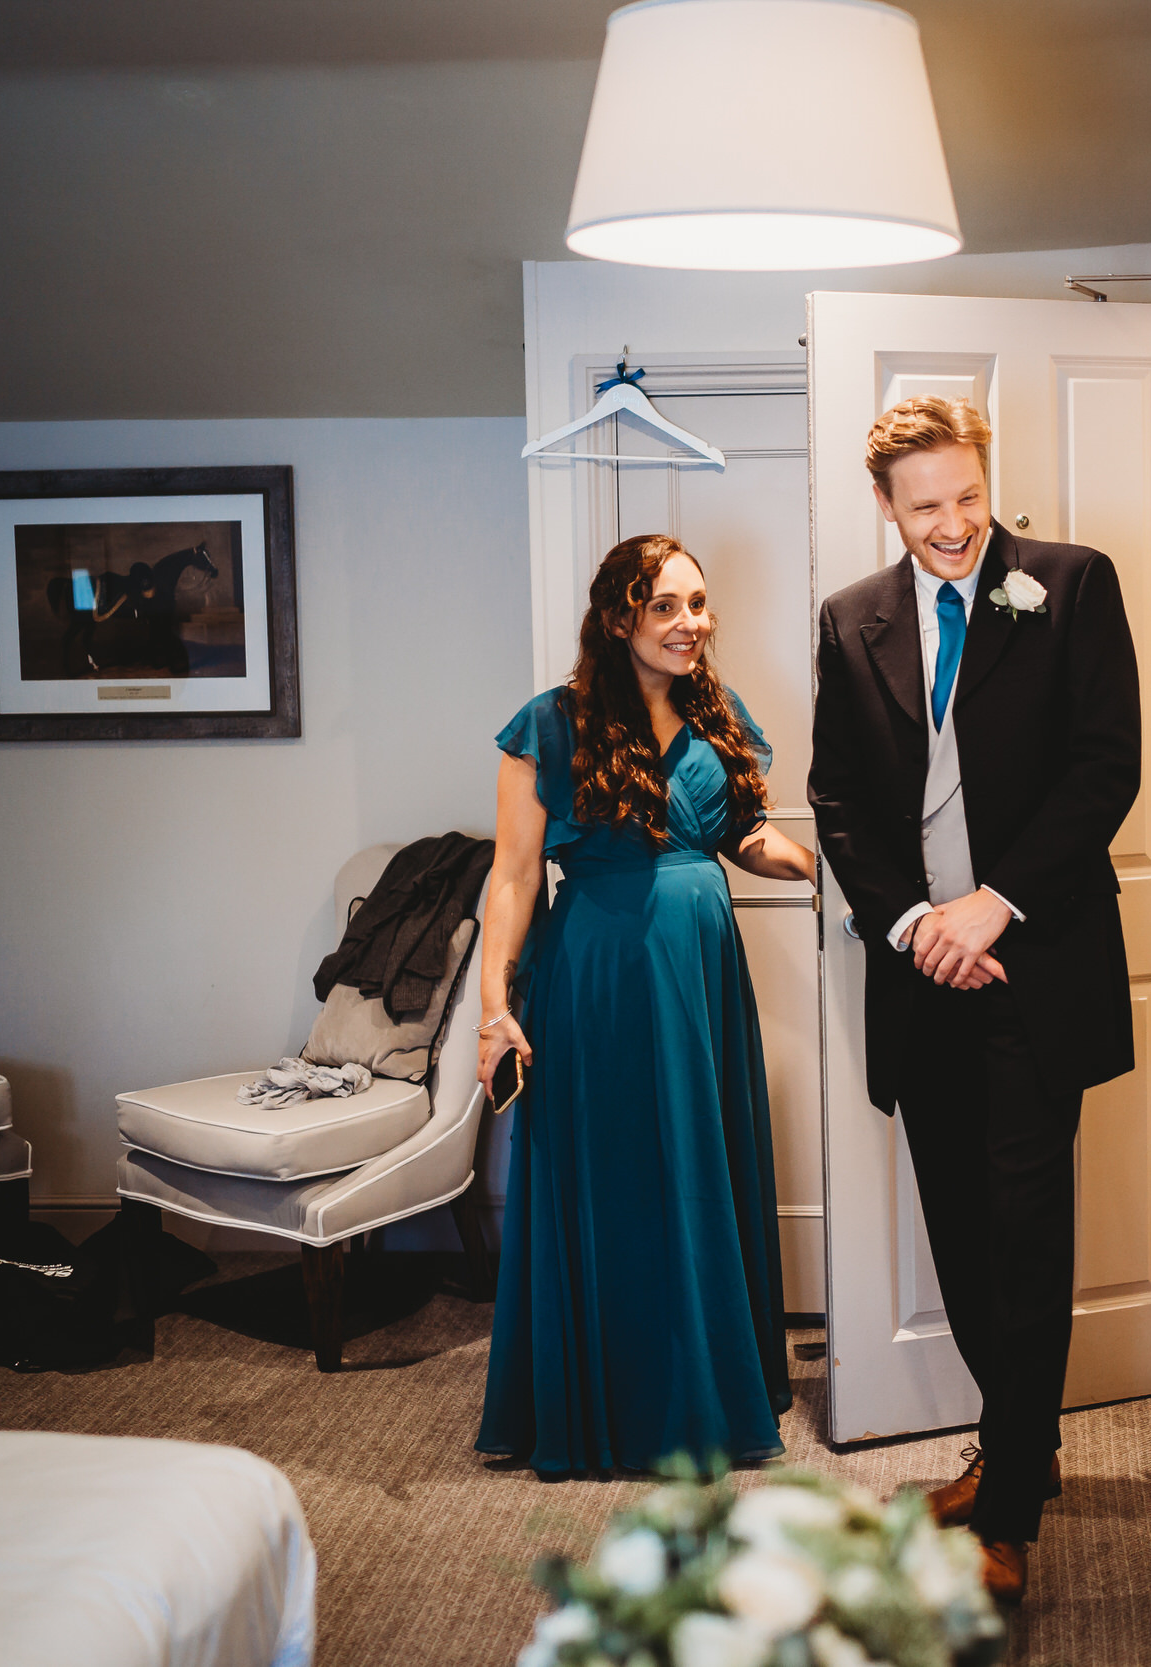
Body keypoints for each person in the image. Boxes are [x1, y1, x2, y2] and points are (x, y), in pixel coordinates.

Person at [808, 397, 1142, 1602]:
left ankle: (1007, 1506)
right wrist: (909, 923)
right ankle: (1018, 1449)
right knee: (956, 1228)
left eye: (965, 496)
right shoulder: (852, 618)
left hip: (1033, 969)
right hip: (920, 979)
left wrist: (993, 903)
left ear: (983, 480)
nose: (952, 526)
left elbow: (1107, 763)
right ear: (886, 507)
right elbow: (835, 792)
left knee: (1023, 1237)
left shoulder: (1070, 582)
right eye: (924, 506)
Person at [473, 533, 816, 1477]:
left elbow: (747, 840)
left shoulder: (722, 715)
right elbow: (510, 877)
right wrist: (496, 1003)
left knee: (699, 1165)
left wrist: (835, 874)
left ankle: (705, 1387)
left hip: (700, 973)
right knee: (611, 1171)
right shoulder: (550, 723)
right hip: (593, 977)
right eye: (665, 605)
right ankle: (609, 1400)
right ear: (619, 617)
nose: (689, 623)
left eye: (697, 603)